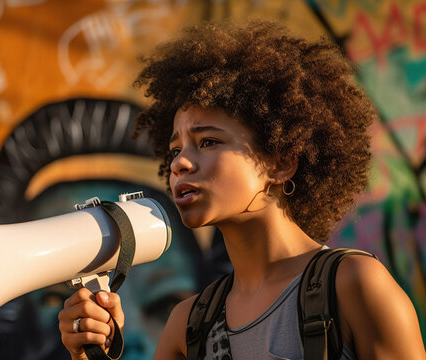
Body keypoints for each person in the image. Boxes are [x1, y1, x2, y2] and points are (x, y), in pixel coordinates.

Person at [58, 20, 425, 359]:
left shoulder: (354, 286)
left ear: (281, 162)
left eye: (208, 142)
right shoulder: (187, 327)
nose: (178, 164)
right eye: (174, 150)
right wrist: (90, 354)